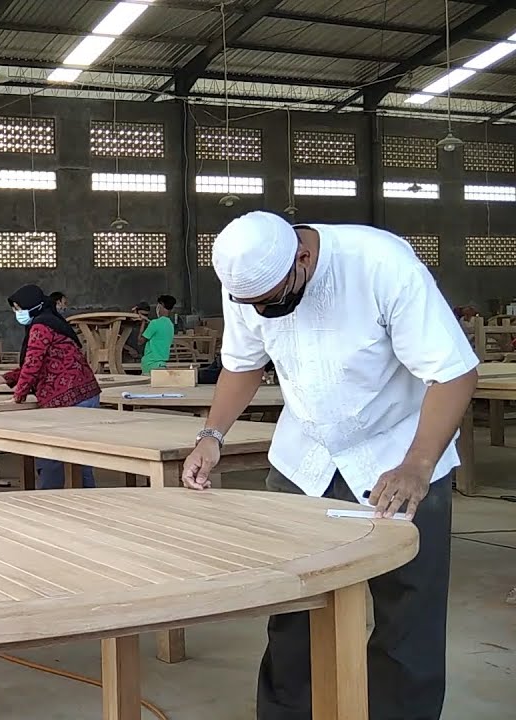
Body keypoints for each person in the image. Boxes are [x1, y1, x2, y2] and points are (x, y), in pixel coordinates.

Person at [181, 211, 476, 720]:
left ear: (302, 256)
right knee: (293, 606)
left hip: (398, 458)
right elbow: (242, 363)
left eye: (274, 299)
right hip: (305, 460)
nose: (264, 310)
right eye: (253, 304)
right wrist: (212, 435)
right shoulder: (247, 282)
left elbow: (452, 373)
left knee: (408, 614)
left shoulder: (380, 263)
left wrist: (418, 463)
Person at [0, 285, 102, 489]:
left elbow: (33, 363)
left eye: (18, 308)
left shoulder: (40, 327)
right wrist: (3, 379)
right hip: (86, 395)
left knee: (51, 456)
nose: (16, 313)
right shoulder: (53, 322)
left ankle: (48, 504)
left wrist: (18, 396)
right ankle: (89, 504)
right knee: (83, 459)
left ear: (31, 306)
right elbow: (40, 362)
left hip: (66, 400)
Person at [140, 294, 177, 374]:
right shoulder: (170, 325)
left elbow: (140, 341)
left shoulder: (154, 323)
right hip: (161, 364)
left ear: (161, 305)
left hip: (150, 364)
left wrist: (142, 322)